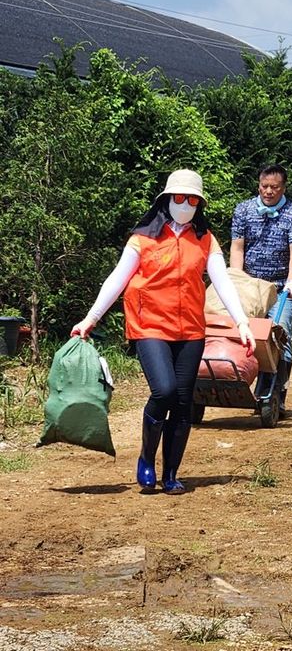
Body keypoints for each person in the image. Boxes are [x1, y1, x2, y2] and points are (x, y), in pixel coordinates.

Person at [72, 169, 256, 495]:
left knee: (184, 402)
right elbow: (117, 278)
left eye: (192, 200)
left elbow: (223, 281)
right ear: (167, 200)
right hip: (150, 326)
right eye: (179, 198)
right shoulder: (142, 238)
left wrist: (241, 321)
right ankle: (146, 458)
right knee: (165, 392)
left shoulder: (205, 240)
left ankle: (171, 473)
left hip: (190, 331)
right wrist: (91, 318)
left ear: (199, 204)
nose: (185, 204)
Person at [230, 164, 292, 412]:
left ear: (283, 188)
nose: (269, 191)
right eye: (264, 186)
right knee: (240, 333)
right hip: (251, 287)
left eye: (274, 187)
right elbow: (237, 247)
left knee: (278, 333)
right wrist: (236, 279)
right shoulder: (244, 210)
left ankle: (276, 392)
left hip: (281, 287)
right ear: (258, 185)